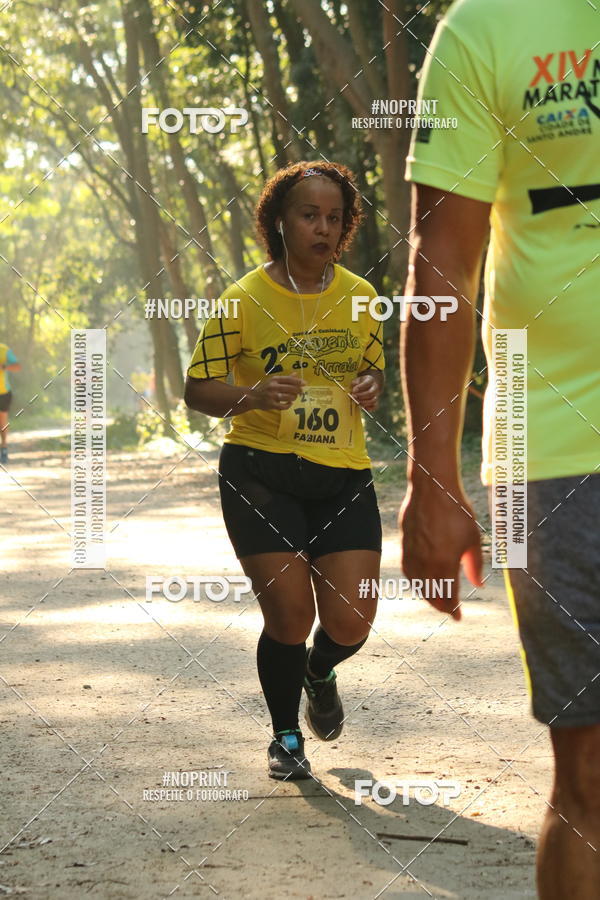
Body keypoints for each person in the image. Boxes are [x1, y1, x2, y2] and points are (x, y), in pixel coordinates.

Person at [400, 1, 600, 897]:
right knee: (591, 773)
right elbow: (442, 258)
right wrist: (431, 477)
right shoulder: (483, 30)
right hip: (545, 450)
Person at [184, 161, 385, 780]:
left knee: (353, 620)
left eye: (335, 217)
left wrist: (371, 385)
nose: (323, 227)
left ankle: (319, 672)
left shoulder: (360, 297)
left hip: (342, 474)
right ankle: (285, 737)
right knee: (290, 617)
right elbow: (196, 389)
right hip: (260, 472)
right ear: (280, 221)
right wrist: (249, 396)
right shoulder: (243, 300)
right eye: (309, 215)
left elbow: (371, 369)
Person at [0, 341, 20, 465]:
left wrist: (4, 367)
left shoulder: (4, 349)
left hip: (3, 392)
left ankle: (4, 448)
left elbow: (17, 366)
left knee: (2, 421)